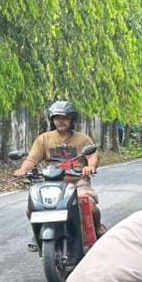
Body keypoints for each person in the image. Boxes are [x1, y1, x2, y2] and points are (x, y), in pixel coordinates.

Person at [14, 100, 102, 245]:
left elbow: (92, 156)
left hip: (77, 181)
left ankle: (97, 228)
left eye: (65, 118)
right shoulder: (44, 139)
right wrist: (23, 169)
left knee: (89, 206)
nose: (60, 121)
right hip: (51, 182)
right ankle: (38, 233)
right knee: (32, 208)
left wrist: (90, 167)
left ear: (72, 120)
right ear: (52, 119)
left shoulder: (83, 139)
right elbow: (32, 159)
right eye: (57, 118)